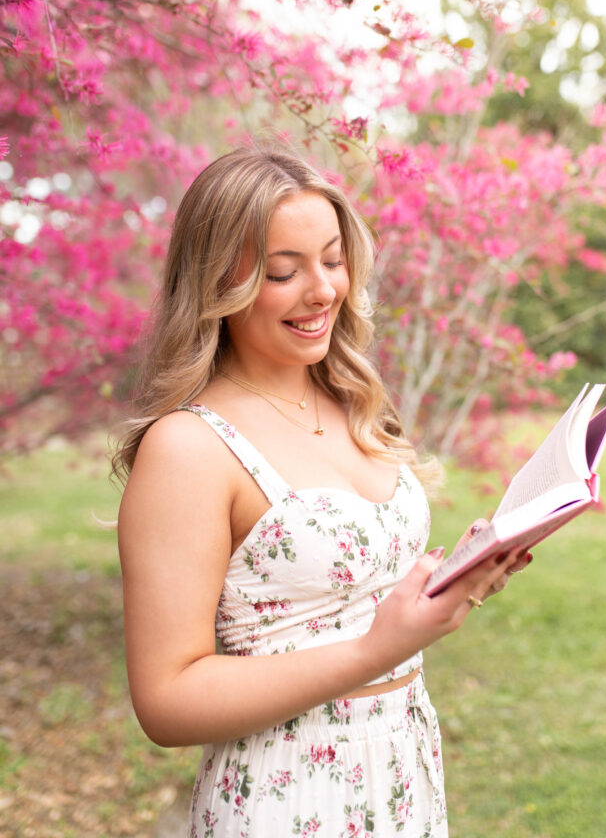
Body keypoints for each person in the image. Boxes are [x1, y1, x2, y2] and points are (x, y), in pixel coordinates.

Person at [115, 140, 529, 838]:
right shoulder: (188, 448)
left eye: (333, 261)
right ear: (219, 282)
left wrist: (451, 584)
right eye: (284, 272)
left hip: (402, 778)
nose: (324, 291)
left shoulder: (349, 402)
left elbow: (355, 597)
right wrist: (373, 652)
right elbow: (166, 700)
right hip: (288, 799)